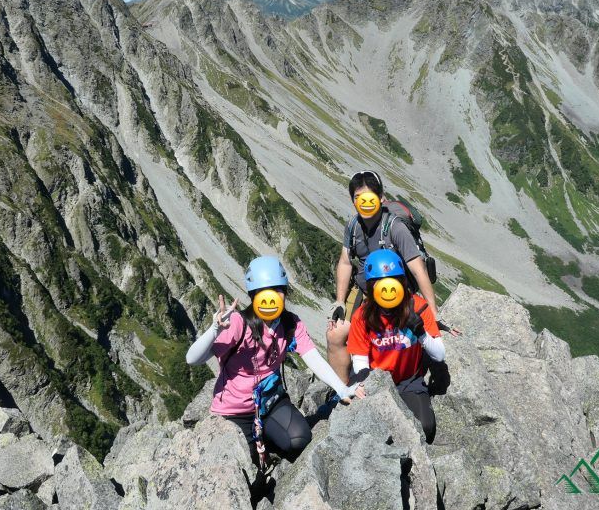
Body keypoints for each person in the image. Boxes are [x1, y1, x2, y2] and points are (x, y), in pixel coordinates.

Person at [186, 255, 364, 463]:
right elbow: (192, 358)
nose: (272, 298)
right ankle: (263, 443)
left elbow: (313, 358)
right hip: (233, 413)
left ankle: (267, 438)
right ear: (253, 296)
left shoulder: (290, 324)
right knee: (246, 465)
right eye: (264, 293)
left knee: (300, 438)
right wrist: (214, 329)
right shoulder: (237, 323)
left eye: (277, 290)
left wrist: (342, 389)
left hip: (271, 403)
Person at [326, 170, 447, 384]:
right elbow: (345, 262)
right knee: (335, 336)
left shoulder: (395, 228)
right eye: (358, 198)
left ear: (381, 198)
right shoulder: (353, 226)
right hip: (365, 291)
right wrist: (339, 301)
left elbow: (418, 269)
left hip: (395, 293)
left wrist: (433, 311)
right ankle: (344, 391)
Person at [347, 249, 444, 443]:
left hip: (409, 382)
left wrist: (421, 333)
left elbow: (439, 355)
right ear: (372, 288)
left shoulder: (418, 306)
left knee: (426, 427)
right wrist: (368, 385)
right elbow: (359, 360)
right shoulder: (362, 316)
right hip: (377, 380)